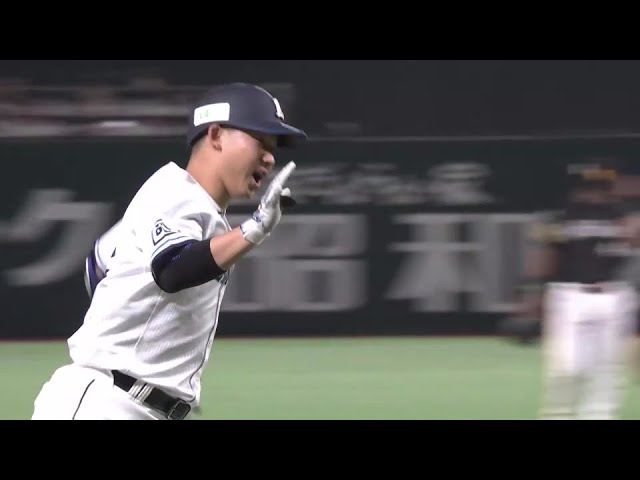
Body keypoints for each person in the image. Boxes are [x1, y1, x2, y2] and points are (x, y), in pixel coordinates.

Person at [31, 82, 307, 420]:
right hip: (107, 405)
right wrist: (256, 228)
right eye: (260, 140)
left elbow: (97, 267)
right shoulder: (174, 191)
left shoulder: (193, 210)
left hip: (138, 404)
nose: (270, 157)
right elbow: (173, 269)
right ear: (216, 135)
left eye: (273, 147)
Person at [517, 165, 639, 419]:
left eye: (600, 185)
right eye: (590, 185)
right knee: (567, 365)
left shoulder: (624, 216)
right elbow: (543, 257)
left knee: (607, 367)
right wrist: (530, 296)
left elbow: (633, 239)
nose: (594, 191)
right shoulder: (558, 217)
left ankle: (600, 415)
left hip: (615, 294)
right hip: (569, 295)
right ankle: (559, 414)